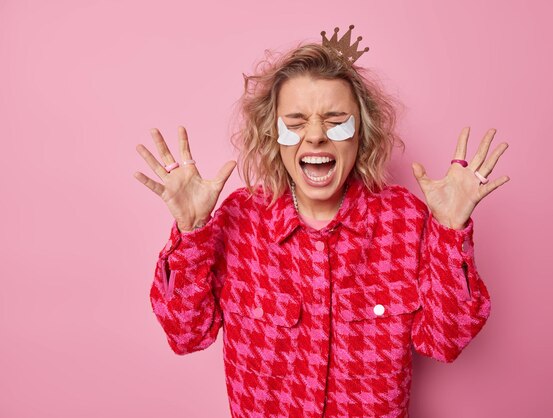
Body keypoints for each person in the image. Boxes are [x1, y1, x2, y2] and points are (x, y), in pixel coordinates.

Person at [133, 25, 509, 418]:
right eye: (295, 122)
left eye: (335, 119)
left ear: (361, 132)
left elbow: (445, 341)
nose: (315, 136)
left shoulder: (404, 219)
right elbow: (186, 335)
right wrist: (192, 235)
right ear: (272, 133)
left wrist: (450, 233)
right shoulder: (238, 219)